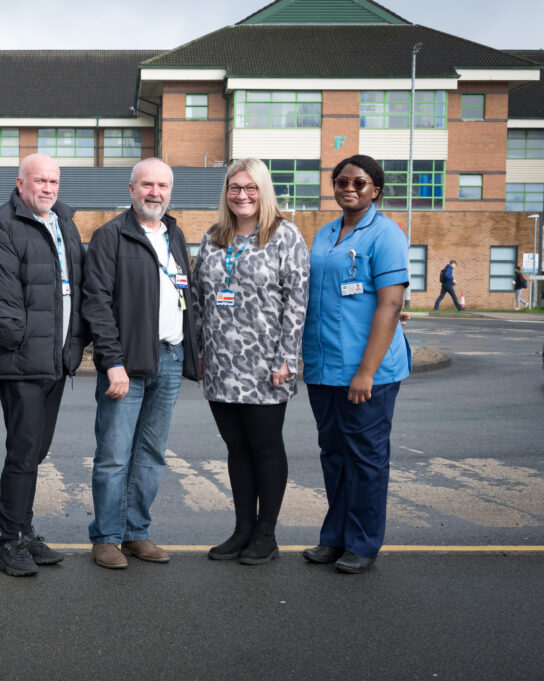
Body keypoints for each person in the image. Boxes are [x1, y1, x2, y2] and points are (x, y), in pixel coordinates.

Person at [82, 158, 200, 569]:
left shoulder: (175, 235)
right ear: (131, 189)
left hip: (169, 357)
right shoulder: (110, 236)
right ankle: (106, 537)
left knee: (151, 453)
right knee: (114, 454)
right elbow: (96, 303)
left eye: (163, 185)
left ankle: (136, 532)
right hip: (126, 364)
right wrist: (111, 361)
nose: (155, 192)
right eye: (147, 184)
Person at [193, 158, 310, 565]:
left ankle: (266, 534)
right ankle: (242, 528)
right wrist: (201, 352)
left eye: (250, 188)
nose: (242, 195)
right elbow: (198, 300)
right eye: (234, 188)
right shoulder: (212, 238)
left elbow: (297, 302)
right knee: (236, 448)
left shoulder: (284, 236)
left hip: (265, 366)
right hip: (221, 365)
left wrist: (286, 359)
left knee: (264, 447)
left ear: (263, 191)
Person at [302, 154, 411, 574]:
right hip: (325, 367)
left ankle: (363, 543)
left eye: (359, 183)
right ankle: (335, 537)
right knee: (334, 454)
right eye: (341, 181)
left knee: (365, 458)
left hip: (368, 372)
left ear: (375, 190)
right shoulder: (325, 233)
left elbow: (390, 304)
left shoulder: (386, 234)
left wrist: (365, 371)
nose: (349, 188)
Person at [0, 153, 86, 577]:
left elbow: (75, 289)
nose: (48, 188)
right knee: (23, 452)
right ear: (20, 183)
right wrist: (24, 345)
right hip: (22, 363)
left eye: (54, 181)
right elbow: (2, 301)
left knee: (36, 451)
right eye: (39, 180)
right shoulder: (4, 224)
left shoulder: (64, 223)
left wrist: (73, 346)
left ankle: (24, 531)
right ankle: (9, 542)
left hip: (55, 362)